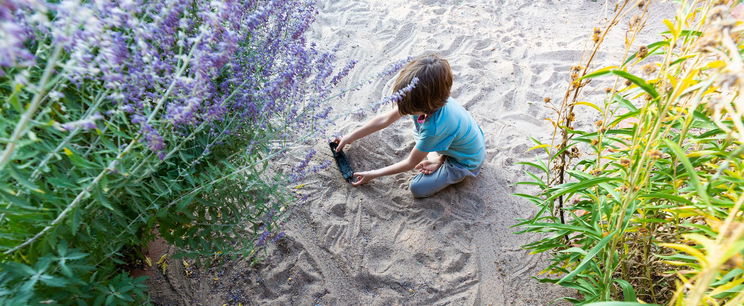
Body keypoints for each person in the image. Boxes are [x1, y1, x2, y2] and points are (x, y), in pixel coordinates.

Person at [334, 54, 485, 198]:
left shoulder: (434, 128)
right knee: (418, 132)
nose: (404, 109)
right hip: (461, 140)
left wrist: (372, 174)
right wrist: (350, 136)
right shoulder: (430, 98)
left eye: (409, 108)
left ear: (425, 105)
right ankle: (439, 158)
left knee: (417, 188)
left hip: (465, 161)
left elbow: (410, 163)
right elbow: (385, 119)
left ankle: (443, 161)